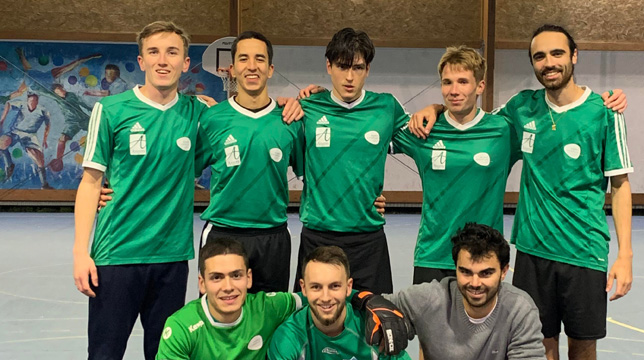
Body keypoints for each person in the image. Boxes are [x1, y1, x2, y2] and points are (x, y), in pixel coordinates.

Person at [72, 21, 211, 360]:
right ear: (142, 60)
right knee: (104, 354)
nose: (163, 60)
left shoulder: (199, 114)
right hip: (116, 256)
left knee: (165, 355)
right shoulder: (111, 110)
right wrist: (80, 252)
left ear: (185, 63)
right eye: (154, 52)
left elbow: (247, 116)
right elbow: (90, 183)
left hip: (172, 259)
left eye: (172, 52)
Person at [498, 24, 634, 360]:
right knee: (537, 344)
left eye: (557, 53)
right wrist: (436, 109)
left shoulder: (605, 112)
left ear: (574, 56)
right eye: (539, 56)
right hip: (533, 251)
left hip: (584, 252)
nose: (549, 62)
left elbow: (619, 186)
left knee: (583, 345)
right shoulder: (521, 108)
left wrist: (625, 254)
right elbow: (474, 123)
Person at [293, 28, 412, 294]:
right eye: (342, 66)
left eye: (357, 68)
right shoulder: (308, 107)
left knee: (375, 325)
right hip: (318, 236)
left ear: (368, 69)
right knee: (314, 323)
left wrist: (436, 107)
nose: (349, 77)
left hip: (368, 240)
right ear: (328, 66)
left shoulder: (386, 107)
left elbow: (424, 137)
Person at [392, 45, 519, 285]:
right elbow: (369, 133)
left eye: (463, 81)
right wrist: (320, 95)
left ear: (480, 86)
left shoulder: (503, 130)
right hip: (432, 256)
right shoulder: (424, 129)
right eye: (447, 82)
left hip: (482, 263)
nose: (454, 91)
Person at [194, 31, 305, 293]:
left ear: (270, 69)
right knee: (220, 324)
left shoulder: (290, 120)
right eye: (243, 59)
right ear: (232, 69)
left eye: (259, 59)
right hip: (222, 234)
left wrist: (368, 197)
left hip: (273, 237)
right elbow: (180, 172)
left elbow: (313, 178)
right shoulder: (212, 119)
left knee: (270, 324)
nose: (252, 66)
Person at [357, 223, 545, 359]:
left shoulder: (520, 310)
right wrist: (367, 304)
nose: (475, 283)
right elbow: (364, 308)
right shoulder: (430, 298)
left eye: (486, 273)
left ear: (504, 271)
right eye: (465, 272)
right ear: (455, 268)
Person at [156, 238, 303, 360]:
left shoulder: (268, 308)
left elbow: (317, 298)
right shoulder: (181, 327)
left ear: (248, 278)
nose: (228, 287)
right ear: (202, 284)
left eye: (236, 275)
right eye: (217, 277)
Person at [268, 246, 411, 360]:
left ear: (349, 287)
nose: (325, 297)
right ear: (303, 288)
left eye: (334, 286)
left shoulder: (373, 330)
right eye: (316, 287)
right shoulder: (288, 337)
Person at [0, 90, 52, 188]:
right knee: (2, 143)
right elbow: (8, 104)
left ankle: (44, 184)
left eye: (34, 101)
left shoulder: (43, 111)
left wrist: (45, 139)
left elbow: (47, 125)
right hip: (16, 131)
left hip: (30, 135)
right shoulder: (22, 104)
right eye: (30, 101)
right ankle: (9, 165)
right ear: (27, 100)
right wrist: (2, 120)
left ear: (37, 101)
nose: (32, 103)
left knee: (39, 159)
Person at [44, 83, 94, 172]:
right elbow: (43, 91)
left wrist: (94, 110)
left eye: (61, 90)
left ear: (62, 88)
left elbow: (83, 103)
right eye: (58, 93)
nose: (61, 93)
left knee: (99, 132)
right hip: (71, 123)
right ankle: (59, 159)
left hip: (83, 119)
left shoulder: (72, 95)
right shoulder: (57, 99)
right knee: (62, 139)